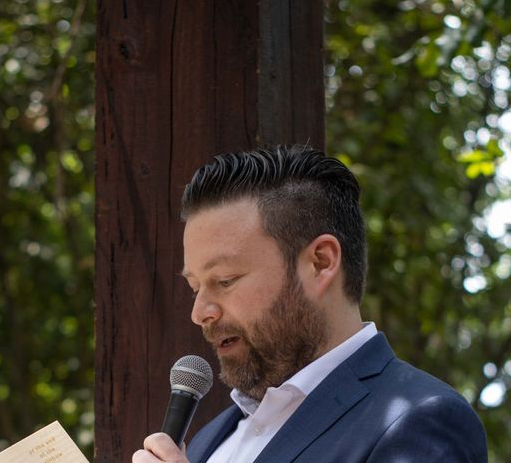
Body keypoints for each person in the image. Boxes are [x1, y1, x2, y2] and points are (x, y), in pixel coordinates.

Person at [133, 146, 488, 463]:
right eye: (195, 287)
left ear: (320, 263)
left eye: (225, 280)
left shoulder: (419, 418)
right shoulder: (209, 440)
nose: (200, 313)